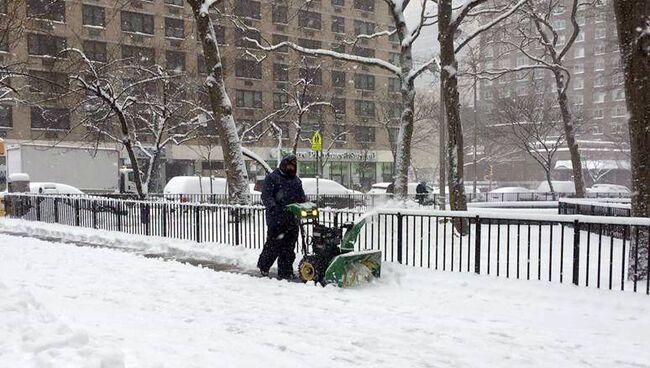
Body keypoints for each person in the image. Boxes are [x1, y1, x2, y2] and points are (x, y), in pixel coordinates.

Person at [257, 154, 306, 279]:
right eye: (289, 166)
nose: (291, 168)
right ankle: (264, 266)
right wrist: (274, 207)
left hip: (292, 219)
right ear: (283, 165)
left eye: (293, 166)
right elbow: (266, 196)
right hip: (277, 219)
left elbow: (301, 197)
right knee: (274, 245)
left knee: (289, 247)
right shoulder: (273, 178)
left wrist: (304, 205)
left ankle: (286, 271)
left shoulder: (296, 181)